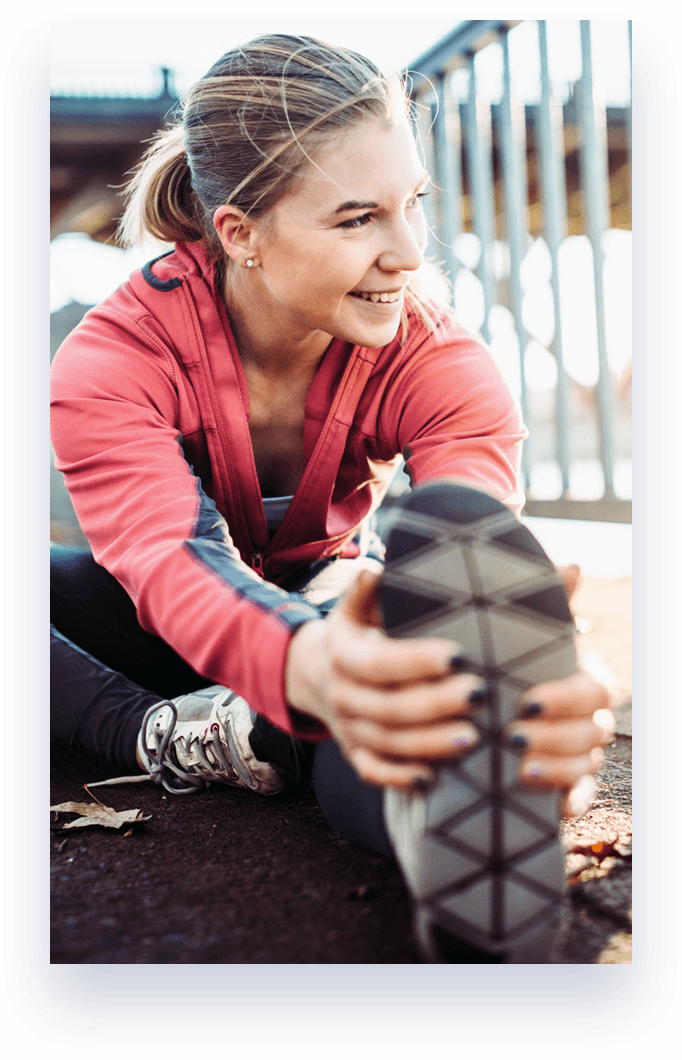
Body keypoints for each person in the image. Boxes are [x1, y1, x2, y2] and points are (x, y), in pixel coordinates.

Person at [50, 33, 614, 963]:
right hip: (154, 635)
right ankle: (169, 733)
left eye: (414, 205)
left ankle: (436, 809)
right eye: (357, 220)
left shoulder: (439, 358)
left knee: (393, 686)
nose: (407, 253)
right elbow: (165, 559)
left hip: (334, 600)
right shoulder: (112, 360)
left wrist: (516, 692)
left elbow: (467, 547)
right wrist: (304, 664)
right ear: (239, 234)